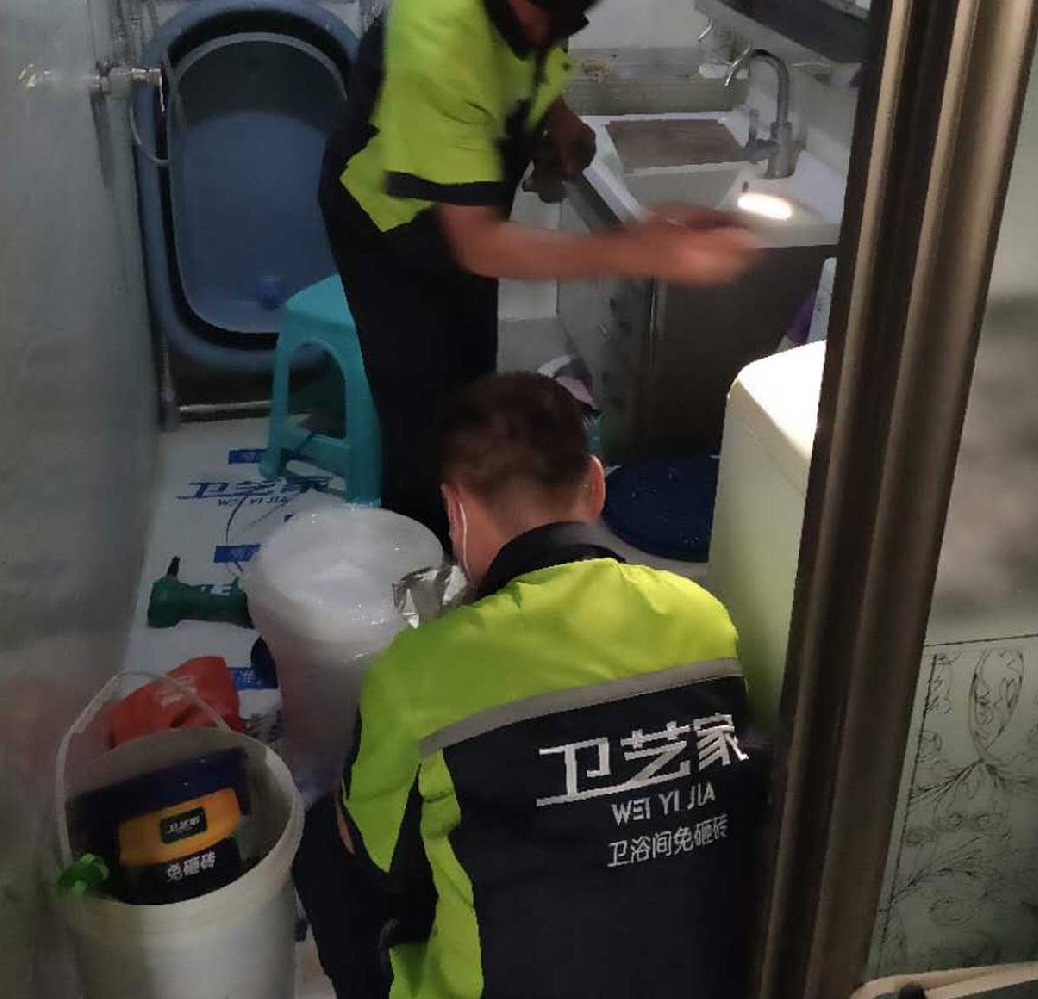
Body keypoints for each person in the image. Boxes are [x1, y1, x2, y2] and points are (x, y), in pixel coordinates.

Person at [293, 373, 769, 999]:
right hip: (713, 980)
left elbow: (379, 863)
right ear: (596, 484)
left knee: (324, 844)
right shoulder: (700, 615)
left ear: (455, 511)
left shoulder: (420, 672)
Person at [319, 0, 759, 537]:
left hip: (457, 215)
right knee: (422, 418)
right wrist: (639, 250)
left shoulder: (539, 12)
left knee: (471, 384)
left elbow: (532, 48)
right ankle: (425, 555)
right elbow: (478, 244)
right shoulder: (439, 29)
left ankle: (475, 530)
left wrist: (558, 117)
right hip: (385, 227)